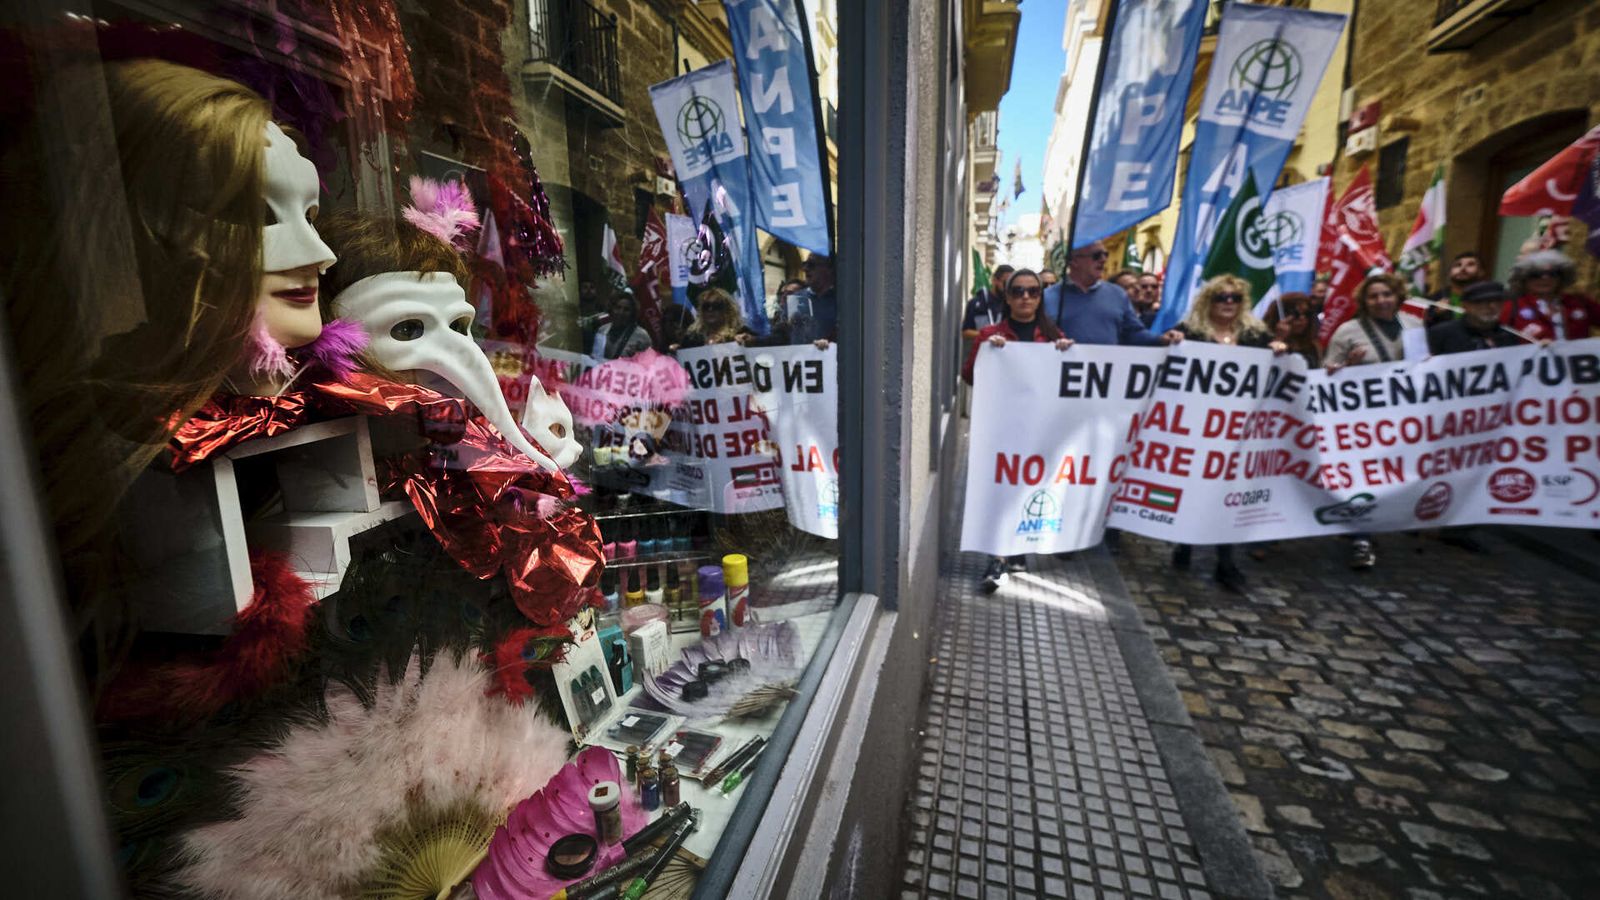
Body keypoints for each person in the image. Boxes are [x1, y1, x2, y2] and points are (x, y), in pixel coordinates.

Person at [1169, 275, 1287, 592]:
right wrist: (1173, 344)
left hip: (1239, 430)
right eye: (1221, 297)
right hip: (1198, 426)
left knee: (1228, 490)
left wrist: (1276, 349)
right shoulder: (1192, 332)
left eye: (1234, 298)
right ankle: (1185, 541)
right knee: (1195, 486)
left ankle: (1226, 560)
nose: (1228, 303)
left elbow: (1273, 367)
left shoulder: (1254, 334)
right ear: (1209, 300)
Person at [961, 269, 1074, 591]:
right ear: (1007, 297)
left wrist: (1068, 354)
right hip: (1001, 430)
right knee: (1000, 488)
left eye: (1033, 292)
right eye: (1018, 291)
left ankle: (1019, 548)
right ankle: (997, 558)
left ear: (1040, 298)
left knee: (1028, 487)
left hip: (1040, 432)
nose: (1026, 297)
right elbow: (969, 376)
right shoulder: (990, 334)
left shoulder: (1054, 336)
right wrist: (988, 354)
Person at [1324, 272, 1421, 570]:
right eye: (1374, 296)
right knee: (1362, 475)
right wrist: (1347, 366)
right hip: (1361, 421)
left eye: (1386, 295)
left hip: (1402, 417)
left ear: (1397, 296)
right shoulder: (1348, 331)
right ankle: (1361, 537)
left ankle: (1384, 519)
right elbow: (1327, 372)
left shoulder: (1414, 327)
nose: (1381, 301)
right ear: (1364, 301)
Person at [1043, 241, 1183, 346]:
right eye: (1096, 255)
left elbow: (1134, 333)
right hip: (1062, 378)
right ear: (1074, 261)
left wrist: (1162, 339)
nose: (1103, 260)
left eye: (1105, 254)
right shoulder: (1048, 297)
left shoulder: (1117, 295)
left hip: (1105, 379)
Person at [1502, 249, 1600, 342]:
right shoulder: (1513, 307)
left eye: (1552, 273)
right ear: (1524, 280)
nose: (1545, 278)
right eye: (1536, 274)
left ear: (1561, 277)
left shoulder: (1580, 302)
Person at [1428, 280, 1524, 355]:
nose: (1491, 306)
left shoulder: (1509, 337)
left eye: (1497, 301)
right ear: (1465, 306)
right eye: (1482, 301)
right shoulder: (1441, 334)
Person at [1425, 251, 1487, 325]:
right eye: (1458, 265)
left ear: (1481, 272)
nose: (1462, 268)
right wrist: (1436, 313)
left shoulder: (1488, 300)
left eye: (1470, 264)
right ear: (1450, 272)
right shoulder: (1436, 298)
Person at [677, 287, 751, 348]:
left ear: (727, 310)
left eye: (716, 306)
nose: (710, 310)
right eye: (706, 306)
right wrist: (677, 350)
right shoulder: (692, 338)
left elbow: (760, 345)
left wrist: (749, 341)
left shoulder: (740, 331)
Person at [788, 253, 837, 345]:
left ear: (829, 269)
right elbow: (783, 332)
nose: (805, 269)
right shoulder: (795, 298)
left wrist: (830, 342)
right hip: (798, 357)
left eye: (811, 265)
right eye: (805, 264)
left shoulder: (842, 301)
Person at [1262, 292, 1321, 366]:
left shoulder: (1312, 346)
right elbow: (1261, 365)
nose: (1302, 318)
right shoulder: (1262, 339)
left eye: (1307, 314)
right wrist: (1279, 338)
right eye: (1296, 314)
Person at [591, 289, 652, 360]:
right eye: (618, 308)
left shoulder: (642, 336)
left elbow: (649, 365)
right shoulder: (602, 330)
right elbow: (595, 357)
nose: (621, 312)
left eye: (626, 309)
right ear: (612, 309)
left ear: (632, 313)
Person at [962, 263, 1013, 342]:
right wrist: (989, 335)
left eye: (1011, 285)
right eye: (1005, 283)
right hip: (981, 351)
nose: (1008, 288)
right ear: (994, 280)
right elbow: (966, 332)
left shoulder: (1011, 304)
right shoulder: (976, 303)